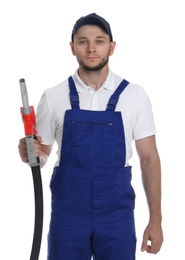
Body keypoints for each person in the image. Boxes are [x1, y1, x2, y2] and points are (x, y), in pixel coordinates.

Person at [18, 13, 163, 260]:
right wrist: (30, 153)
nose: (91, 48)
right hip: (68, 216)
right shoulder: (53, 96)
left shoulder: (135, 96)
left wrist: (155, 220)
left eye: (99, 40)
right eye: (83, 42)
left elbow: (149, 159)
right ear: (73, 47)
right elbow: (41, 155)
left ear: (112, 46)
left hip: (117, 216)